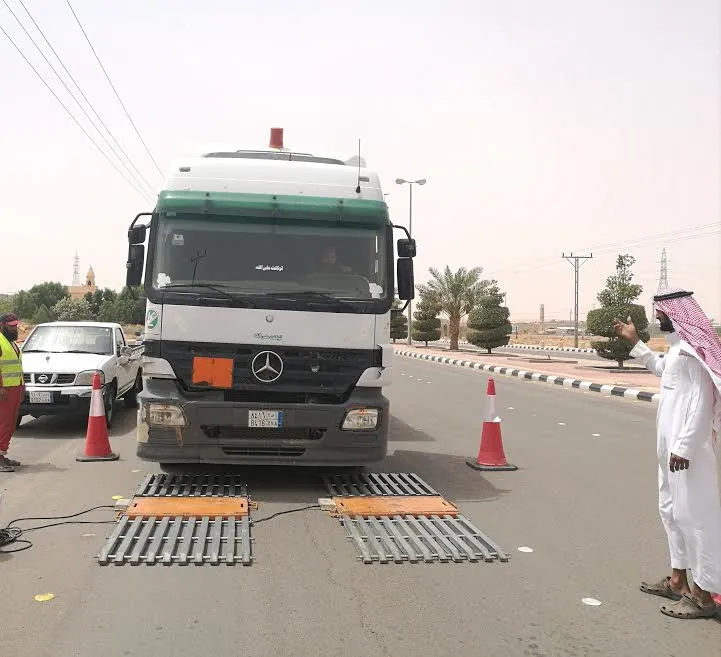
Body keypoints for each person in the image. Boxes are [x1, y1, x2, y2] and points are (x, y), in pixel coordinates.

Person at [614, 289, 721, 619]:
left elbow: (702, 402)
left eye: (659, 312)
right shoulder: (678, 350)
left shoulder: (692, 352)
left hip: (686, 452)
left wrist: (685, 446)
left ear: (676, 313)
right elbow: (661, 368)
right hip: (671, 451)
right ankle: (678, 581)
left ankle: (703, 595)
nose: (656, 317)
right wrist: (635, 342)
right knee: (672, 512)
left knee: (695, 518)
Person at [0, 312, 24, 472]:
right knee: (3, 424)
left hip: (15, 389)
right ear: (2, 325)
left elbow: (15, 366)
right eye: (11, 326)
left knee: (10, 425)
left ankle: (2, 454)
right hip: (4, 391)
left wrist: (22, 386)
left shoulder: (12, 343)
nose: (14, 328)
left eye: (16, 325)